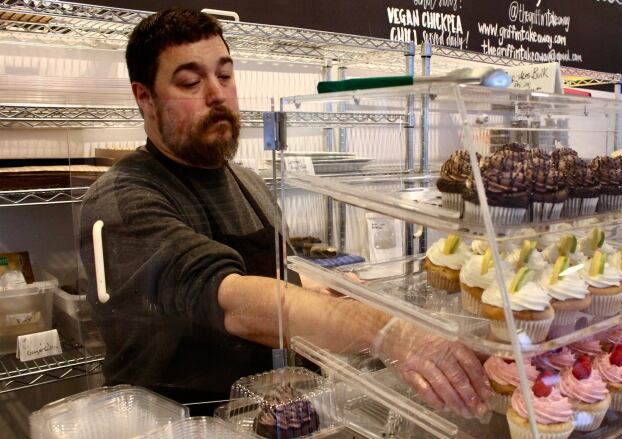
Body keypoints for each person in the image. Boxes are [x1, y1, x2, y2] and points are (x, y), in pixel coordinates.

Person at [79, 9, 491, 418]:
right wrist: (389, 332)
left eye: (224, 75)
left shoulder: (248, 182)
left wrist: (338, 290)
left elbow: (276, 279)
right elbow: (236, 303)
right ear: (144, 97)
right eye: (190, 82)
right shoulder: (124, 198)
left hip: (266, 413)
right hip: (183, 422)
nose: (217, 95)